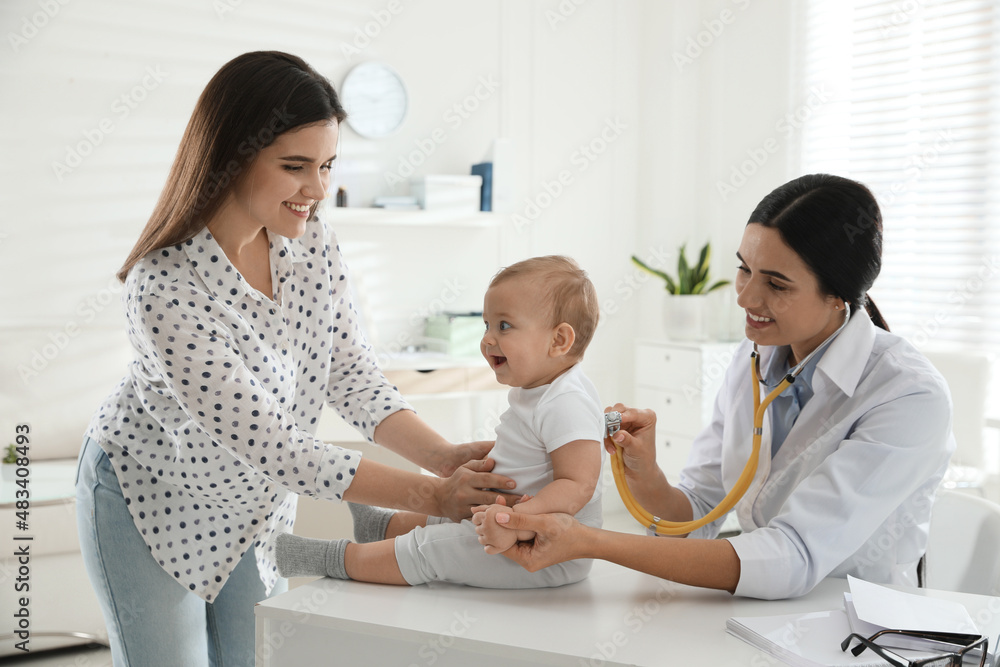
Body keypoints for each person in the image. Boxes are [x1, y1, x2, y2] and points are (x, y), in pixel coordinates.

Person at [75, 51, 519, 667]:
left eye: (328, 165)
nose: (318, 189)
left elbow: (353, 377)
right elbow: (277, 445)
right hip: (152, 497)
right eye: (295, 166)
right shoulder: (165, 289)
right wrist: (435, 497)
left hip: (256, 508)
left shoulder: (313, 246)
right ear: (231, 156)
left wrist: (444, 459)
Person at [474, 173, 955, 601]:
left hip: (858, 626)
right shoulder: (755, 357)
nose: (745, 296)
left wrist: (591, 542)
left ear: (837, 297)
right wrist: (646, 475)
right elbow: (699, 515)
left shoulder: (907, 396)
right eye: (744, 268)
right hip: (760, 614)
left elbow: (792, 558)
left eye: (777, 284)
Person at [275, 255, 606, 588]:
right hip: (511, 527)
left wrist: (517, 520)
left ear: (559, 340)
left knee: (432, 550)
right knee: (451, 511)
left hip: (543, 551)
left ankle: (332, 559)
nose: (488, 339)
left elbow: (578, 485)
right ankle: (381, 528)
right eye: (486, 325)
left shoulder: (567, 401)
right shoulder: (540, 389)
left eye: (504, 326)